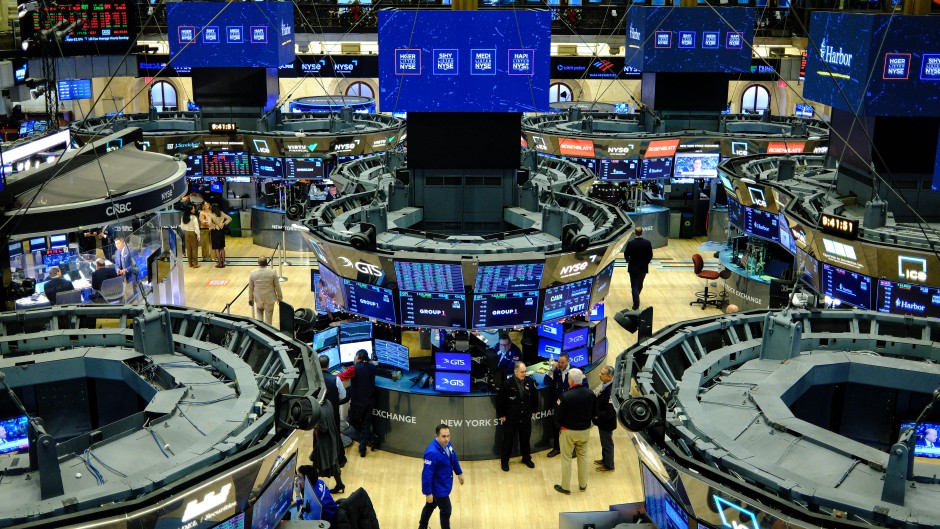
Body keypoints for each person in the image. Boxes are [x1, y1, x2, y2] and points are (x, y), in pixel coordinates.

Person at [554, 368, 596, 495]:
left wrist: (559, 427)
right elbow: (595, 412)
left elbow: (558, 415)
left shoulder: (565, 396)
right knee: (583, 457)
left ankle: (565, 487)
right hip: (584, 431)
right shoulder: (591, 394)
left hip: (568, 431)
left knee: (566, 459)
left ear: (571, 381)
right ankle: (583, 485)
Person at [419, 424, 465, 529]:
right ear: (437, 436)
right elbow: (426, 475)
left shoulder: (447, 444)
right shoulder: (432, 453)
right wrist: (428, 493)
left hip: (443, 484)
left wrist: (459, 473)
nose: (446, 439)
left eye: (448, 436)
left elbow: (453, 457)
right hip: (438, 488)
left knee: (430, 505)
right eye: (443, 436)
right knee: (446, 510)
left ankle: (422, 526)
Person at [495, 361, 538, 472]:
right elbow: (500, 401)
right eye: (522, 372)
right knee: (508, 441)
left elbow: (535, 397)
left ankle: (526, 458)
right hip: (511, 418)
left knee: (525, 439)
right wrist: (501, 415)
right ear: (515, 371)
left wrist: (534, 410)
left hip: (525, 417)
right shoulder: (507, 384)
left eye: (525, 371)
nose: (524, 374)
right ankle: (504, 461)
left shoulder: (530, 381)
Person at [338, 349, 377, 457]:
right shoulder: (373, 367)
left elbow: (340, 377)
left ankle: (370, 437)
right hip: (370, 401)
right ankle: (362, 449)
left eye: (355, 356)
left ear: (358, 358)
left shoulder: (353, 369)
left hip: (358, 403)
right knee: (365, 424)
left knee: (352, 420)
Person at [320, 354, 348, 471]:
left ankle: (323, 462)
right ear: (328, 365)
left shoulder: (313, 380)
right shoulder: (335, 379)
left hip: (319, 414)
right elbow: (343, 396)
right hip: (333, 413)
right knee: (335, 435)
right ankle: (340, 459)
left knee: (321, 437)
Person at [545, 352, 572, 458]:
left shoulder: (575, 371)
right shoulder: (556, 371)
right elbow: (546, 381)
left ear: (568, 361)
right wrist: (551, 369)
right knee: (556, 426)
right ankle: (557, 448)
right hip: (558, 405)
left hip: (571, 404)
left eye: (562, 362)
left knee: (571, 428)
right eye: (559, 362)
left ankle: (572, 449)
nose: (560, 364)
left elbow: (584, 385)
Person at [593, 365, 617, 472]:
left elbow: (610, 411)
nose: (599, 375)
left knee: (607, 444)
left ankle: (609, 465)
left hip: (606, 422)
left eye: (602, 374)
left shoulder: (612, 391)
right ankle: (605, 459)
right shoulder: (604, 385)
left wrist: (597, 415)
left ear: (609, 377)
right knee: (604, 442)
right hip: (602, 421)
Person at [623, 226, 654, 310]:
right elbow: (650, 255)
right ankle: (636, 297)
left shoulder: (631, 243)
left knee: (634, 286)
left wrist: (628, 261)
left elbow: (626, 254)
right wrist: (646, 262)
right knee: (640, 284)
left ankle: (636, 302)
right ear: (642, 232)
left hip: (633, 268)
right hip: (643, 268)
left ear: (634, 233)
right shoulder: (647, 243)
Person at [248, 256, 283, 325]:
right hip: (270, 298)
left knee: (259, 314)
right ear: (267, 263)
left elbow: (251, 288)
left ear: (258, 263)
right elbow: (277, 286)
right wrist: (280, 297)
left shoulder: (253, 273)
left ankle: (259, 329)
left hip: (258, 298)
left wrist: (250, 298)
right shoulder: (273, 272)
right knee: (269, 316)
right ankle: (267, 330)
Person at [113, 237, 139, 301]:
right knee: (126, 294)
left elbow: (135, 264)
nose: (116, 245)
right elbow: (116, 263)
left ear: (124, 243)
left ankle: (135, 302)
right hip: (122, 277)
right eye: (115, 244)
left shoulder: (132, 251)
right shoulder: (117, 252)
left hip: (131, 275)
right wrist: (117, 269)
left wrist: (126, 270)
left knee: (132, 294)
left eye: (118, 243)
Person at [180, 204, 201, 268]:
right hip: (193, 233)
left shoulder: (183, 217)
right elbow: (196, 227)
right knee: (194, 248)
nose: (194, 209)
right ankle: (195, 264)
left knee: (188, 249)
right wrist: (198, 235)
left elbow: (182, 227)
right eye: (193, 209)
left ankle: (190, 263)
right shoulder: (194, 217)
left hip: (186, 233)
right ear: (190, 210)